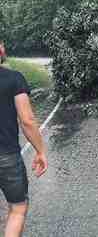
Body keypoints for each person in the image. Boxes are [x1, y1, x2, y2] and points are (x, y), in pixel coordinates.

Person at [0, 41, 48, 237]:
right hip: (7, 156)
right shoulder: (14, 79)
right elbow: (27, 120)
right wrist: (41, 151)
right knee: (18, 208)